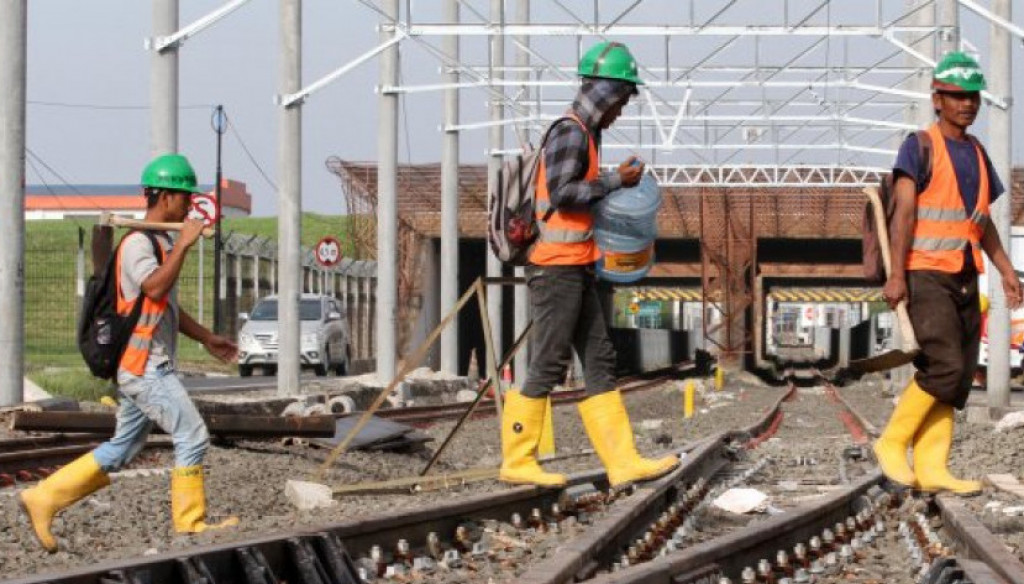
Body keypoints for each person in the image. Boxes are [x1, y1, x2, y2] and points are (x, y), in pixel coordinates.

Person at [19, 154, 240, 552]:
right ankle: (191, 526)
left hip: (145, 365)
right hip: (144, 369)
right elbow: (154, 287)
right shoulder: (139, 243)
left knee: (123, 447)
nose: (189, 204)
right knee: (191, 435)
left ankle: (43, 497)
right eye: (184, 197)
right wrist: (185, 246)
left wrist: (206, 337)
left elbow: (164, 304)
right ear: (165, 197)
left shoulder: (160, 241)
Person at [499, 41, 679, 489]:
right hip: (555, 267)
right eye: (620, 99)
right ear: (604, 92)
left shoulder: (587, 135)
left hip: (579, 266)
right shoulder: (571, 132)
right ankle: (518, 459)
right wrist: (617, 180)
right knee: (549, 360)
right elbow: (562, 193)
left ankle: (623, 462)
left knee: (599, 358)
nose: (620, 110)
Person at [875, 52, 1023, 495]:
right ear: (937, 98)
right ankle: (892, 441)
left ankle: (933, 466)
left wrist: (1005, 269)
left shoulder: (977, 153)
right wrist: (896, 274)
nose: (967, 104)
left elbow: (981, 220)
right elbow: (903, 213)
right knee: (945, 363)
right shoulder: (919, 146)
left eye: (973, 96)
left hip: (964, 274)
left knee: (957, 377)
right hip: (924, 272)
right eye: (957, 96)